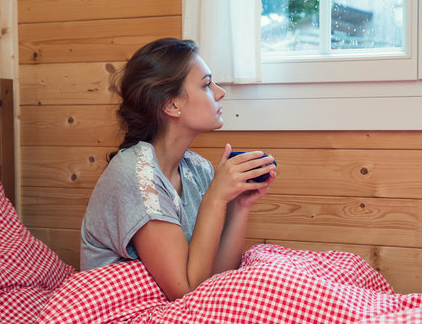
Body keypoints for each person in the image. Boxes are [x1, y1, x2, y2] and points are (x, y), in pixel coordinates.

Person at [80, 37, 277, 301]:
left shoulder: (198, 169)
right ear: (172, 105)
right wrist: (215, 198)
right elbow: (185, 291)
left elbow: (217, 276)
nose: (220, 92)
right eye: (207, 84)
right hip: (122, 308)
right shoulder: (135, 175)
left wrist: (239, 205)